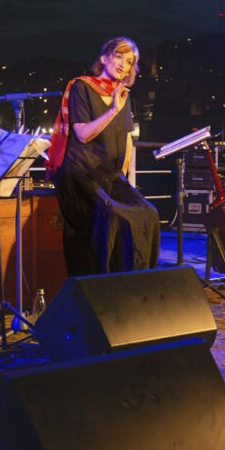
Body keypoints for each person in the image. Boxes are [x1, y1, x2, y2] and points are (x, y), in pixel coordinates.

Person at [47, 36, 160, 276]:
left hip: (110, 175)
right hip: (80, 172)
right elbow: (83, 134)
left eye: (129, 62)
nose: (123, 64)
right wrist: (112, 111)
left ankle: (137, 281)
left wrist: (124, 180)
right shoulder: (81, 87)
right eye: (118, 56)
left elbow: (127, 141)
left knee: (149, 213)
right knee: (113, 215)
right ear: (104, 58)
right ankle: (103, 285)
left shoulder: (124, 96)